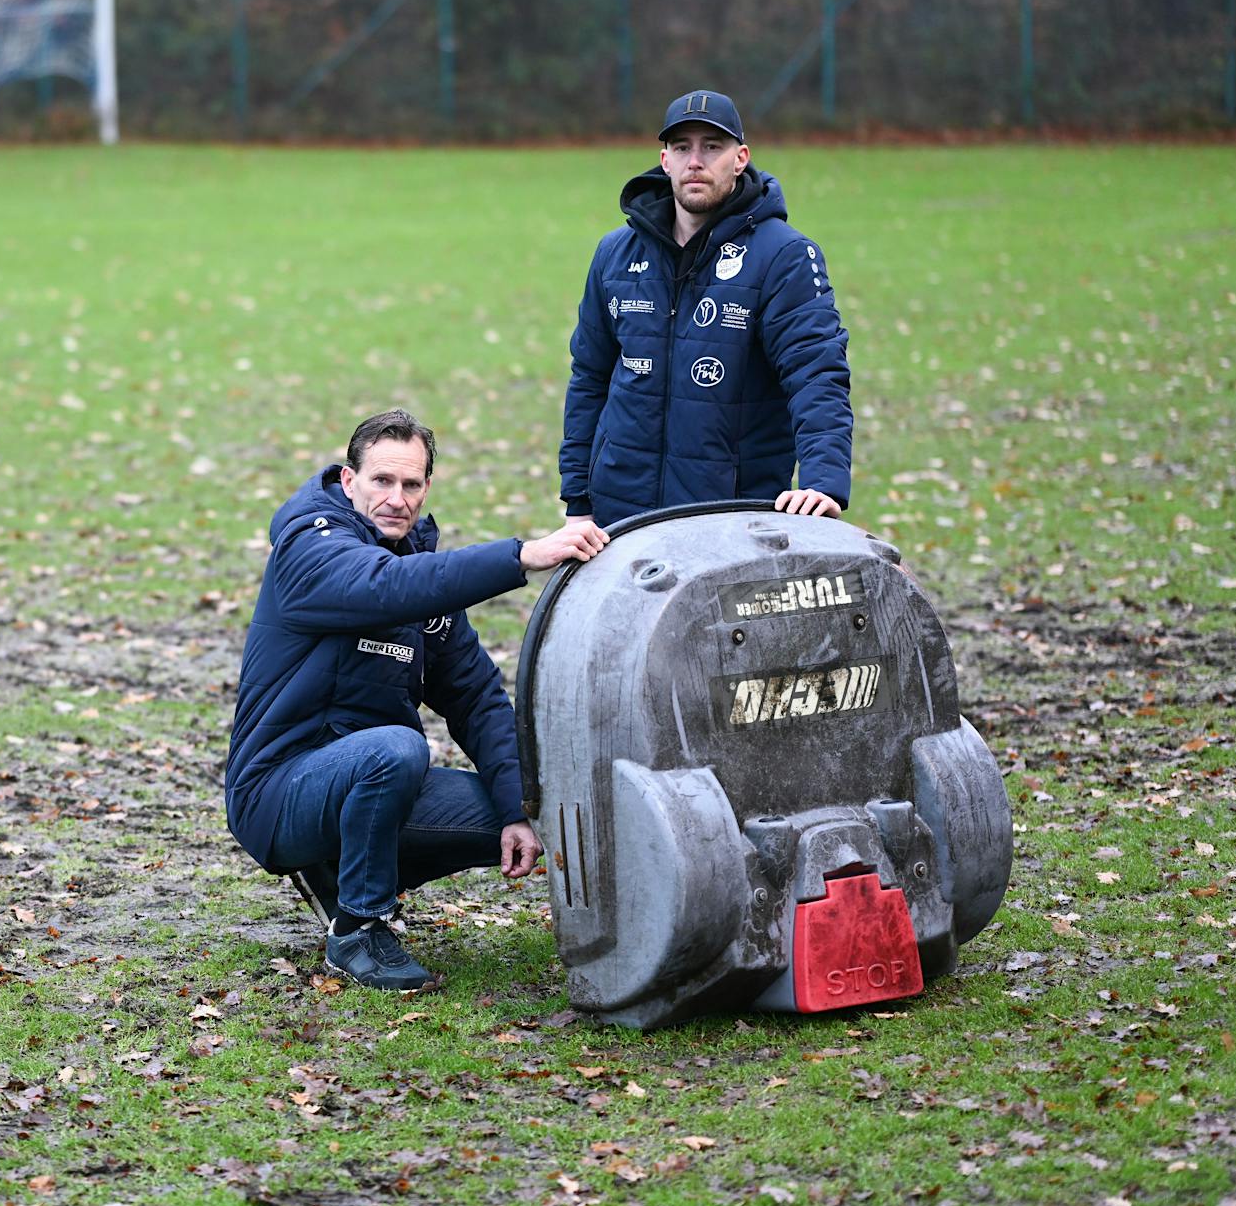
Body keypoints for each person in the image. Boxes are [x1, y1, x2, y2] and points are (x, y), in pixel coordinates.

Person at [225, 410, 610, 990]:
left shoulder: (419, 572)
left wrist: (517, 809)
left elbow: (477, 699)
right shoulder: (310, 547)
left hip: (370, 781)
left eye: (411, 484)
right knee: (396, 749)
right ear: (349, 480)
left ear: (427, 487)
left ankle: (341, 871)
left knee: (537, 806)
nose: (396, 498)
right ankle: (358, 928)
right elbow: (383, 586)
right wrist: (520, 556)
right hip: (278, 794)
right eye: (382, 481)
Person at [559, 89, 853, 529]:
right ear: (665, 160)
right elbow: (589, 377)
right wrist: (578, 501)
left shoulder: (783, 256)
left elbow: (815, 374)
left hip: (730, 515)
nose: (695, 161)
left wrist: (824, 482)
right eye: (682, 148)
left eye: (712, 147)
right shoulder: (615, 254)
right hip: (620, 513)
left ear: (740, 158)